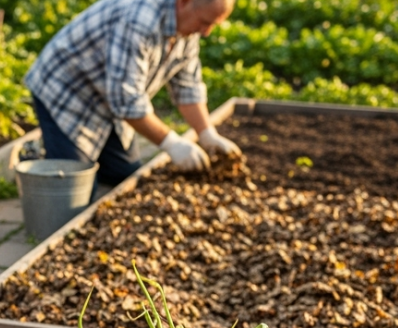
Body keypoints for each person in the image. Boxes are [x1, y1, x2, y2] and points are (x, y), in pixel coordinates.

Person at [26, 0, 243, 188]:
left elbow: (187, 86)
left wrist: (207, 134)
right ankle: (40, 155)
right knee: (75, 192)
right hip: (68, 92)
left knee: (124, 174)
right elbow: (126, 102)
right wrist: (172, 143)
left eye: (213, 24)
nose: (206, 32)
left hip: (107, 99)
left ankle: (80, 153)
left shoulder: (186, 27)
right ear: (183, 2)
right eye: (205, 22)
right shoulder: (139, 21)